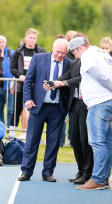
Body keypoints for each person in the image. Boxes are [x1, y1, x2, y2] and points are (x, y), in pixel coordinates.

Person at [67, 36, 112, 190]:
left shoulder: (88, 55)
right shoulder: (104, 54)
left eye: (74, 53)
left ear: (81, 48)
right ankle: (103, 178)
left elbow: (97, 75)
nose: (75, 57)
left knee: (98, 143)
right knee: (106, 143)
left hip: (99, 103)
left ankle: (97, 179)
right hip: (110, 102)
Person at [17, 38, 71, 182]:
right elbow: (29, 80)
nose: (60, 55)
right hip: (38, 107)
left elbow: (70, 85)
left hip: (57, 109)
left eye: (63, 53)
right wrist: (27, 99)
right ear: (53, 48)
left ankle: (48, 172)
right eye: (58, 52)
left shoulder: (69, 64)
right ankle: (26, 171)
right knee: (32, 141)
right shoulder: (38, 58)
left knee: (53, 143)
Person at [49, 33, 94, 185]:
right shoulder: (75, 62)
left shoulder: (89, 60)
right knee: (74, 138)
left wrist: (64, 83)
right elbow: (67, 75)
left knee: (84, 139)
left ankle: (88, 172)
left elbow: (82, 78)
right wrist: (54, 82)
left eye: (74, 50)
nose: (73, 54)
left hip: (85, 103)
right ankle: (81, 170)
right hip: (74, 103)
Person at [10, 28, 46, 137]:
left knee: (35, 110)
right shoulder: (18, 52)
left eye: (34, 38)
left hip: (36, 85)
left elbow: (45, 67)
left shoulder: (41, 51)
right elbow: (12, 67)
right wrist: (19, 75)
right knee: (17, 109)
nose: (32, 40)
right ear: (26, 38)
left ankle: (34, 134)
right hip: (21, 85)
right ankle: (11, 134)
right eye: (30, 38)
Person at [0, 35, 15, 129]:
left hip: (10, 86)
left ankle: (10, 131)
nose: (1, 44)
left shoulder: (12, 54)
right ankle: (1, 129)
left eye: (2, 42)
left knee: (10, 110)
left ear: (5, 43)